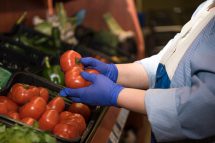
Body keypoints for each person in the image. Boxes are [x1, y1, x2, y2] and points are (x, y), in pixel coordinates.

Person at [60, 0, 215, 142]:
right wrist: (113, 72)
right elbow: (165, 62)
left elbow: (202, 106)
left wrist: (116, 94)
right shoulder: (207, 6)